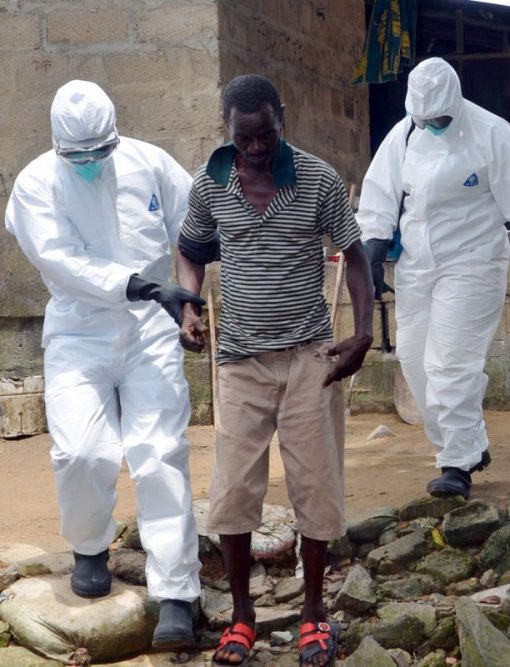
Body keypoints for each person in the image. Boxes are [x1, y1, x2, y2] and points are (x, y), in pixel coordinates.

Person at [175, 74, 374, 667]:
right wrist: (187, 305)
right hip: (239, 361)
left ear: (281, 119)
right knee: (232, 496)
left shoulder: (317, 180)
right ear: (228, 131)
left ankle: (314, 613)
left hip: (311, 356)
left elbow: (356, 257)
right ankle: (242, 617)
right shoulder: (209, 186)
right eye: (246, 138)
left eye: (267, 134)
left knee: (317, 489)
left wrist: (362, 333)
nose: (258, 147)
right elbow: (190, 250)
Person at [4, 80, 204, 647]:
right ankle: (89, 547)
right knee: (80, 450)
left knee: (159, 452)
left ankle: (176, 594)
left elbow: (193, 230)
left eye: (100, 151)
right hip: (78, 329)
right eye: (80, 155)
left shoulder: (151, 163)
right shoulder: (36, 183)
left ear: (115, 135)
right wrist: (141, 285)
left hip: (150, 330)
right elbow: (60, 262)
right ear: (58, 145)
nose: (91, 162)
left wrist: (189, 298)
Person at [357, 58, 510, 501]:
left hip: (473, 262)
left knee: (450, 363)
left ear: (456, 102)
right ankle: (468, 444)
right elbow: (379, 196)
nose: (432, 126)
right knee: (413, 359)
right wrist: (371, 258)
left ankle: (456, 464)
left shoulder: (491, 132)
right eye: (425, 119)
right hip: (416, 264)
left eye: (440, 119)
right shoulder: (406, 133)